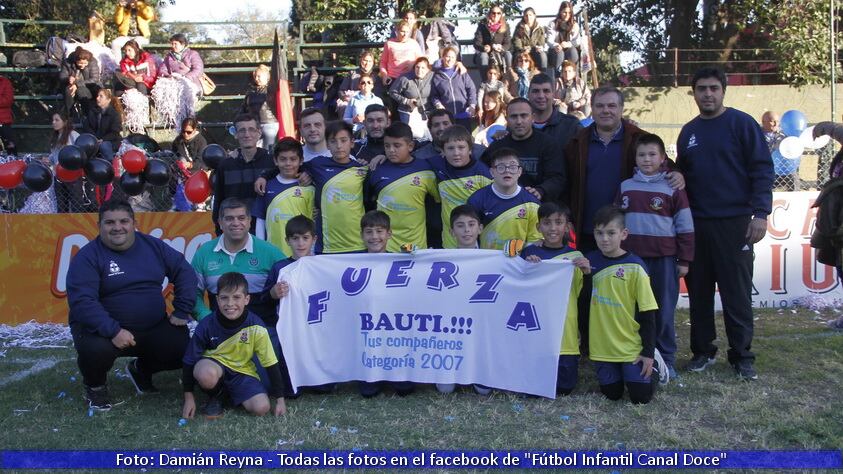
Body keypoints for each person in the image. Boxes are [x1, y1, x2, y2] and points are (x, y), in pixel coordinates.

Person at [677, 68, 773, 381]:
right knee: (700, 293)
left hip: (735, 224)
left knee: (736, 294)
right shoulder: (688, 132)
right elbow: (683, 177)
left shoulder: (742, 124)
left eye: (713, 88)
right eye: (701, 88)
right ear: (694, 92)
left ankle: (742, 356)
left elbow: (762, 170)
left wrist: (760, 213)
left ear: (723, 91)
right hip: (698, 225)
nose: (707, 94)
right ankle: (702, 351)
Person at [66, 199, 196, 411]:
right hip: (104, 331)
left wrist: (182, 308)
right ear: (99, 226)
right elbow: (82, 302)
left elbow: (184, 271)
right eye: (110, 223)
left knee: (182, 348)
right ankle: (95, 387)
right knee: (96, 350)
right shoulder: (88, 256)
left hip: (152, 325)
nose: (117, 227)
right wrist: (113, 330)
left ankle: (141, 370)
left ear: (134, 223)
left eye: (123, 221)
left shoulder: (153, 246)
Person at [616, 133, 694, 381]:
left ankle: (667, 360)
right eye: (642, 155)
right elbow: (616, 220)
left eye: (652, 154)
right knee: (634, 310)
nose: (646, 159)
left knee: (663, 311)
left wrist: (684, 259)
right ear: (635, 158)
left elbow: (685, 225)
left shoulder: (673, 189)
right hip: (633, 261)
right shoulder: (625, 187)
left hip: (664, 260)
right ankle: (634, 355)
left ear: (663, 159)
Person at [182, 272, 288, 419]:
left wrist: (280, 400)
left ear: (247, 299)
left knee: (262, 408)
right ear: (217, 300)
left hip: (242, 371)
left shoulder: (256, 326)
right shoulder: (206, 324)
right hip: (214, 367)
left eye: (237, 297)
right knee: (206, 374)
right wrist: (188, 398)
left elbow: (270, 363)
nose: (230, 303)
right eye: (224, 298)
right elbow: (189, 360)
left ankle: (227, 395)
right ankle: (215, 396)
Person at [586, 205, 662, 403]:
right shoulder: (589, 262)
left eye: (611, 233)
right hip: (602, 347)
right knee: (612, 395)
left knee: (640, 398)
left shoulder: (635, 267)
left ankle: (656, 366)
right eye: (599, 233)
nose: (604, 239)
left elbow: (648, 313)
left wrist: (647, 353)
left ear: (624, 234)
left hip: (631, 347)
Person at [521, 202, 591, 395]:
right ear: (538, 227)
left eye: (558, 222)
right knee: (532, 388)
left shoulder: (575, 257)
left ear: (567, 227)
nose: (553, 228)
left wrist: (586, 273)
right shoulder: (528, 254)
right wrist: (526, 268)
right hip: (536, 331)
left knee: (564, 388)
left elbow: (583, 297)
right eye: (547, 223)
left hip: (565, 334)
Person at [260, 215, 333, 397]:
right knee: (291, 392)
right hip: (290, 329)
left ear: (314, 239)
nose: (300, 243)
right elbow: (264, 299)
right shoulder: (280, 268)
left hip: (317, 327)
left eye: (305, 238)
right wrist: (273, 293)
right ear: (287, 240)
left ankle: (319, 380)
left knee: (324, 388)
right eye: (295, 238)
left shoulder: (324, 265)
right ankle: (295, 381)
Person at [192, 197, 285, 322]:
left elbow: (293, 287)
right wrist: (207, 320)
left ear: (249, 221)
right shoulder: (204, 253)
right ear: (220, 222)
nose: (236, 223)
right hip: (220, 332)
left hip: (264, 330)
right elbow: (192, 293)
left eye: (241, 218)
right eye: (229, 218)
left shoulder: (271, 253)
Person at [434, 206, 493, 395]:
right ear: (451, 231)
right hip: (452, 325)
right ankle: (450, 369)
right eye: (460, 226)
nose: (466, 230)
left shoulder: (495, 258)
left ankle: (479, 371)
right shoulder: (440, 259)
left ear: (480, 228)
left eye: (471, 225)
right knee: (445, 389)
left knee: (484, 391)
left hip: (480, 324)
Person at [357, 210, 415, 397]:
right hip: (366, 327)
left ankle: (397, 373)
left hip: (394, 327)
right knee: (368, 392)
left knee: (405, 390)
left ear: (389, 234)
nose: (375, 237)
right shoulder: (350, 262)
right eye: (369, 232)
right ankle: (372, 374)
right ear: (362, 235)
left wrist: (417, 259)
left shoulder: (401, 261)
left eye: (380, 231)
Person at [368, 122, 439, 251]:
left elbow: (439, 201)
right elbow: (367, 203)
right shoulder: (377, 169)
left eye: (397, 145)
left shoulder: (426, 169)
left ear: (410, 146)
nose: (391, 150)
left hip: (414, 245)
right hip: (384, 245)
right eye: (387, 146)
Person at [481, 98, 566, 203]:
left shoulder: (548, 144)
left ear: (533, 118)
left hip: (537, 207)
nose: (519, 121)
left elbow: (557, 178)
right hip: (502, 207)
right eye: (514, 116)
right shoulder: (497, 147)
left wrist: (541, 190)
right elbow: (481, 174)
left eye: (524, 116)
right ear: (507, 119)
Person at [306, 120, 368, 253]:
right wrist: (265, 176)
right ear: (327, 144)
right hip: (327, 245)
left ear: (352, 142)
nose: (339, 146)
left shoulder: (362, 169)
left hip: (359, 243)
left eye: (343, 140)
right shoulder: (317, 165)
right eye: (333, 141)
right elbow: (289, 168)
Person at [430, 125, 493, 249]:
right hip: (449, 244)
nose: (456, 153)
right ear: (442, 151)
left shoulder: (483, 173)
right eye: (450, 148)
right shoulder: (437, 167)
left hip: (478, 244)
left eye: (461, 147)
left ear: (470, 149)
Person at [211, 114, 275, 235]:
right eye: (242, 130)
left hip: (266, 231)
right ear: (235, 134)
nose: (247, 134)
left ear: (259, 133)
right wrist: (220, 233)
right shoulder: (225, 166)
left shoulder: (271, 162)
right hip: (235, 232)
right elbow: (219, 202)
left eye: (251, 129)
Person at [252, 137, 315, 256]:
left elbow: (313, 221)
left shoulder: (309, 187)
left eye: (293, 159)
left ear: (301, 161)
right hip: (274, 253)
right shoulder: (266, 186)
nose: (288, 163)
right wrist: (260, 248)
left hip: (303, 254)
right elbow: (260, 219)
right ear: (275, 161)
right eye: (283, 159)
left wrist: (312, 251)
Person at [468, 147, 541, 249]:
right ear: (492, 172)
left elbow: (535, 240)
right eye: (501, 167)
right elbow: (470, 236)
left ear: (519, 171)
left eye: (512, 167)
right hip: (487, 261)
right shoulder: (477, 200)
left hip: (519, 262)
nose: (507, 171)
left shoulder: (532, 203)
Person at [528, 73, 582, 152]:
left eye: (546, 91)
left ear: (553, 94)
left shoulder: (571, 126)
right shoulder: (518, 126)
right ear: (528, 94)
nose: (541, 96)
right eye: (536, 91)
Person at [430, 46, 477, 131]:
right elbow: (434, 95)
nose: (450, 59)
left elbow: (471, 89)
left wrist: (472, 105)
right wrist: (438, 104)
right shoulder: (436, 76)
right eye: (448, 56)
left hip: (463, 114)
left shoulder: (461, 72)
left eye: (452, 57)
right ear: (443, 57)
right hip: (447, 117)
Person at [413, 109, 486, 162]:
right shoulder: (420, 158)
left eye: (445, 123)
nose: (441, 128)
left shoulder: (479, 152)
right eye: (436, 125)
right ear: (430, 129)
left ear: (454, 126)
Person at [388, 57, 434, 139]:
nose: (420, 70)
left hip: (425, 111)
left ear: (428, 69)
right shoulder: (405, 78)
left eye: (423, 68)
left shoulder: (432, 76)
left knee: (427, 136)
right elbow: (392, 92)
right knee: (409, 136)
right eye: (417, 67)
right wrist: (406, 101)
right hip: (407, 110)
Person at [242, 65, 279, 151]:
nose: (256, 78)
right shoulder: (250, 92)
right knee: (254, 149)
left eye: (259, 76)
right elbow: (244, 108)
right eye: (255, 76)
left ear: (267, 77)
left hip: (269, 123)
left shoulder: (272, 90)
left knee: (269, 149)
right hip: (255, 123)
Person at [337, 51, 383, 119]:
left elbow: (379, 94)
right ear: (361, 60)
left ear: (373, 63)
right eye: (365, 60)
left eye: (370, 61)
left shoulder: (376, 77)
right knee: (343, 107)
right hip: (351, 100)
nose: (367, 63)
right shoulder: (352, 74)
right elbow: (341, 90)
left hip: (369, 100)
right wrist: (344, 97)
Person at [379, 20, 424, 87]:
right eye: (402, 31)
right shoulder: (389, 43)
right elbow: (383, 62)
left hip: (410, 78)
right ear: (397, 31)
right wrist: (384, 75)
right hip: (393, 78)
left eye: (407, 32)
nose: (405, 34)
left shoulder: (414, 43)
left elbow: (421, 61)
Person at [59, 47, 102, 117]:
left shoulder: (93, 62)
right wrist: (68, 79)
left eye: (85, 63)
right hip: (70, 86)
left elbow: (94, 79)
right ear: (76, 61)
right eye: (80, 63)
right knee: (68, 91)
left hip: (89, 86)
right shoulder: (67, 62)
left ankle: (88, 115)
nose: (82, 66)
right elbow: (62, 76)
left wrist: (77, 84)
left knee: (82, 91)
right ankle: (69, 115)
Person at [82, 89, 122, 161]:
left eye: (101, 96)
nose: (97, 98)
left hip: (111, 141)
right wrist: (94, 138)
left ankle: (110, 164)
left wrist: (102, 139)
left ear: (108, 100)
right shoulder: (93, 111)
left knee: (104, 146)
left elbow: (115, 132)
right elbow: (86, 126)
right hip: (94, 140)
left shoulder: (114, 114)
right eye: (97, 96)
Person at [546, 1, 581, 80]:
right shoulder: (553, 24)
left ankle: (572, 77)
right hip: (555, 50)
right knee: (559, 53)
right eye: (565, 12)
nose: (567, 15)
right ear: (560, 11)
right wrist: (556, 45)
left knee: (573, 52)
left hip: (569, 48)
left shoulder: (574, 25)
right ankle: (558, 78)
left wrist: (568, 44)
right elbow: (549, 40)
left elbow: (577, 41)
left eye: (569, 13)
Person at [473, 5, 512, 76]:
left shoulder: (506, 26)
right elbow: (477, 42)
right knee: (483, 56)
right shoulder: (482, 25)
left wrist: (501, 48)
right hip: (487, 53)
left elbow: (508, 43)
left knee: (508, 54)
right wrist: (484, 48)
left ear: (501, 15)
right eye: (493, 13)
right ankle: (485, 82)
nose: (495, 15)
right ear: (489, 14)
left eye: (498, 13)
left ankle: (508, 78)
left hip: (500, 53)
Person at [513, 7, 548, 73]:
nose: (528, 17)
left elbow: (541, 43)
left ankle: (543, 75)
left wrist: (535, 47)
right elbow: (516, 41)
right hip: (521, 50)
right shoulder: (519, 27)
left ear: (534, 16)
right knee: (517, 55)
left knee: (542, 55)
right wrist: (523, 49)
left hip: (534, 50)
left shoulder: (540, 28)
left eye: (530, 15)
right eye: (526, 15)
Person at [0, 74, 15, 155]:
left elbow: (8, 101)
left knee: (11, 147)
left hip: (3, 121)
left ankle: (13, 163)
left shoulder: (5, 82)